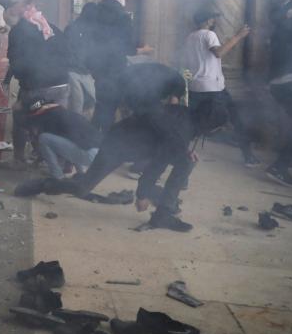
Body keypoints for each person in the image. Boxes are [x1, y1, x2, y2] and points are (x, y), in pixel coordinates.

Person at [18, 64, 210, 232]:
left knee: (185, 161)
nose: (173, 103)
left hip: (126, 140)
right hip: (117, 145)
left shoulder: (170, 108)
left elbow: (168, 142)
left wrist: (182, 148)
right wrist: (143, 194)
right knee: (82, 188)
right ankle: (44, 185)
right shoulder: (161, 110)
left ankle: (164, 212)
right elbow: (158, 161)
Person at [181, 6, 256, 166]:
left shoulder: (189, 37)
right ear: (207, 20)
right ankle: (248, 156)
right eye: (212, 18)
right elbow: (219, 52)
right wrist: (238, 36)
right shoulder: (209, 34)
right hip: (213, 88)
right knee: (236, 118)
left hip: (195, 86)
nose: (214, 21)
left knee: (189, 122)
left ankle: (180, 152)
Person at [7, 2, 70, 166]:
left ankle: (20, 159)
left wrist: (22, 78)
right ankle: (53, 159)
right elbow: (68, 52)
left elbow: (16, 61)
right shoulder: (53, 28)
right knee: (55, 122)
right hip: (61, 85)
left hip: (36, 85)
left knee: (22, 118)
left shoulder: (19, 31)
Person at [88, 0, 151, 130]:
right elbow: (127, 47)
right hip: (114, 70)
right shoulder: (122, 16)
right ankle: (103, 145)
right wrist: (144, 50)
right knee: (109, 109)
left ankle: (92, 140)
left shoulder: (94, 11)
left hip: (96, 68)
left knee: (101, 106)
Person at [25, 100, 101, 179]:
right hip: (100, 155)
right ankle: (81, 174)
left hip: (89, 155)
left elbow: (58, 150)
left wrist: (37, 160)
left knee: (43, 138)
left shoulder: (48, 118)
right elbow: (71, 143)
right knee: (74, 143)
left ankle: (57, 175)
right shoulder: (62, 112)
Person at [266, 0, 292, 186]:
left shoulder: (279, 29)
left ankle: (287, 160)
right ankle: (280, 165)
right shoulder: (290, 26)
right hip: (290, 81)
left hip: (278, 84)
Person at [63, 2, 98, 117]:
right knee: (77, 103)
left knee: (88, 101)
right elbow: (69, 51)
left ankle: (80, 126)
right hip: (74, 70)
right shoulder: (74, 28)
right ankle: (74, 129)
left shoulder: (90, 29)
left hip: (84, 71)